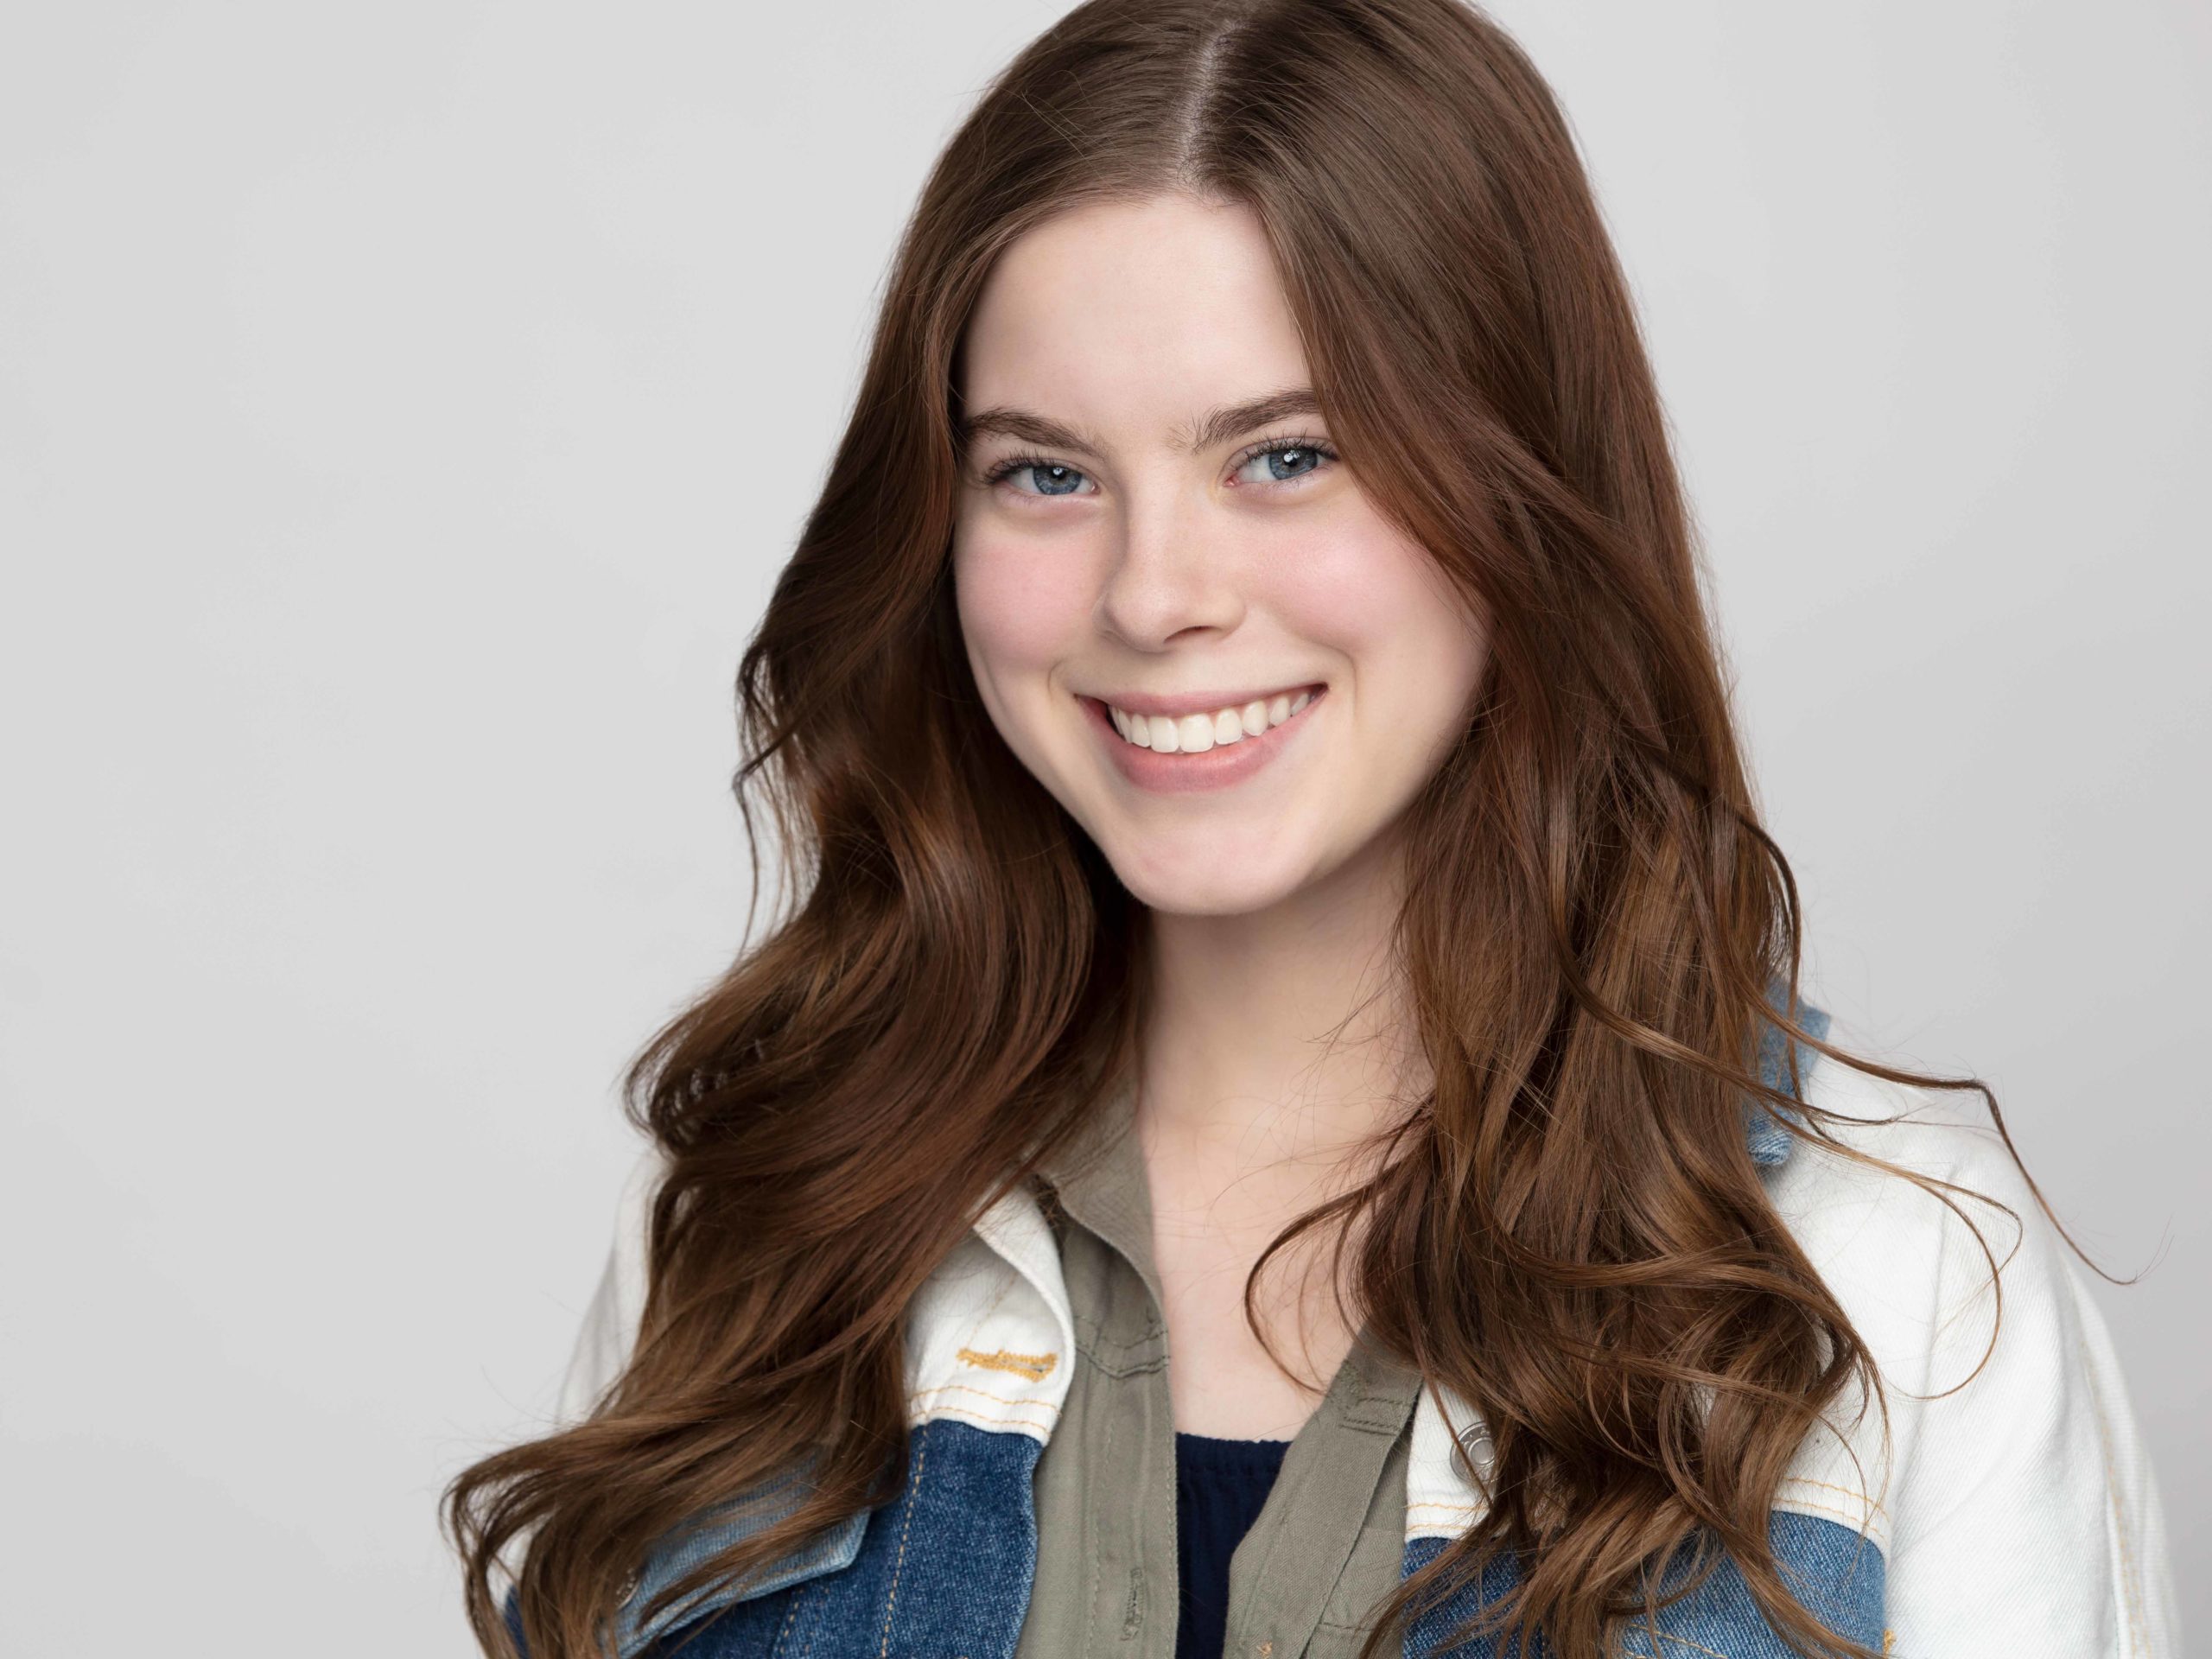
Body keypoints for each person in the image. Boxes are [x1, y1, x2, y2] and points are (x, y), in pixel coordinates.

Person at [443, 2, 2178, 1655]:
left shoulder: (1891, 1285)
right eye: (1043, 472)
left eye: (1284, 456)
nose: (1152, 594)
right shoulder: (759, 1220)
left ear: (1513, 491)